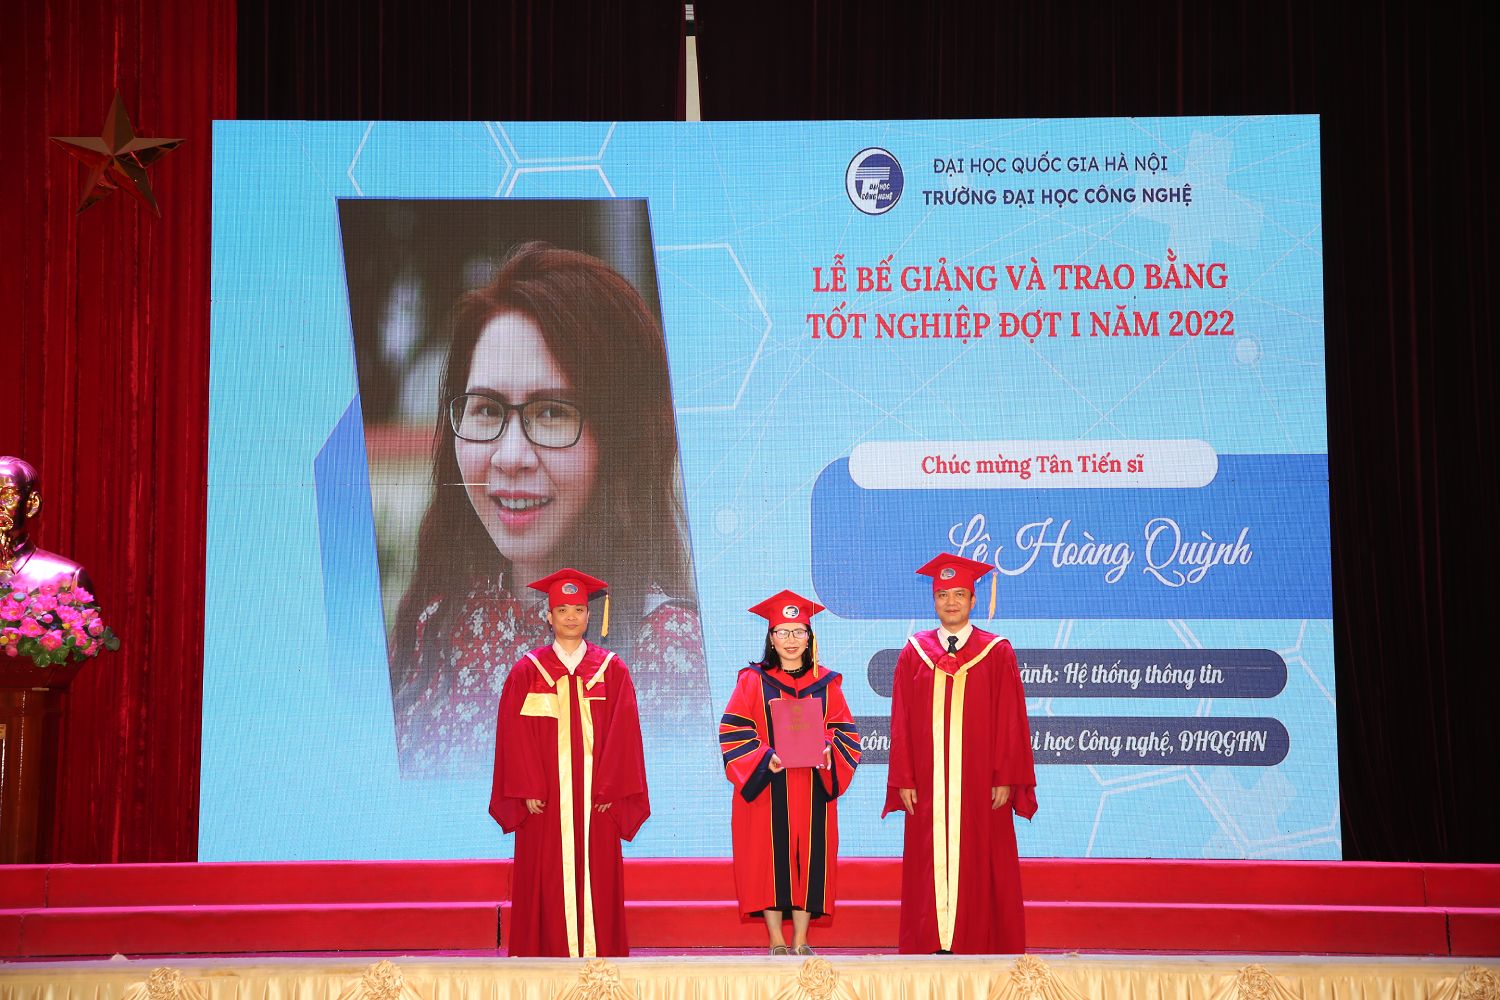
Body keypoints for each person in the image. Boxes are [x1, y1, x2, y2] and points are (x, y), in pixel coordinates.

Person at [388, 242, 709, 778]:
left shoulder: (666, 655)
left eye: (552, 413)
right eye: (486, 409)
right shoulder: (431, 629)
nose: (510, 457)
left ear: (619, 442)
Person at [489, 568, 649, 957]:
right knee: (543, 877)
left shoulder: (611, 670)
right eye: (562, 610)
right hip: (544, 803)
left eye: (578, 609)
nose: (571, 617)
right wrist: (526, 788)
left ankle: (599, 964)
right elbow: (513, 735)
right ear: (549, 616)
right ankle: (544, 964)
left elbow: (625, 735)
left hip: (597, 802)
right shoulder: (528, 671)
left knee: (598, 877)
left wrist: (611, 789)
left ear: (589, 615)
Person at [883, 554, 1037, 954]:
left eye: (959, 595)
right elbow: (901, 721)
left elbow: (1011, 721)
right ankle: (931, 943)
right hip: (928, 784)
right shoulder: (914, 652)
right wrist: (904, 778)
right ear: (933, 600)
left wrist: (1005, 777)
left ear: (973, 599)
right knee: (927, 859)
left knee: (982, 857)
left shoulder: (996, 652)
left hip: (981, 783)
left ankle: (978, 943)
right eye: (943, 595)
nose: (951, 602)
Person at [719, 590, 860, 956]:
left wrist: (828, 750)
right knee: (768, 859)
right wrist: (764, 756)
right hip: (768, 784)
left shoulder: (827, 684)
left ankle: (800, 939)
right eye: (783, 632)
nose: (791, 640)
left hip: (811, 784)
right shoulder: (752, 680)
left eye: (799, 632)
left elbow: (845, 732)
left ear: (810, 638)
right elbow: (734, 729)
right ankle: (776, 939)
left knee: (807, 860)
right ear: (771, 638)